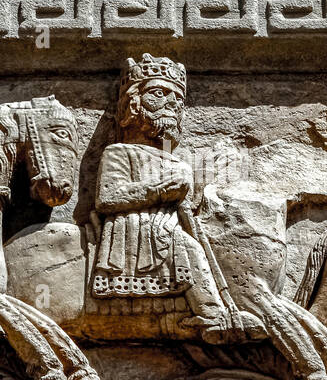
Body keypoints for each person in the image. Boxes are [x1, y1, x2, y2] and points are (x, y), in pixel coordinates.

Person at [91, 53, 237, 342]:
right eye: (159, 93)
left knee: (199, 245)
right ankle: (211, 316)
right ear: (134, 103)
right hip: (133, 226)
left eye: (177, 99)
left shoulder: (176, 162)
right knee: (188, 249)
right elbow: (106, 197)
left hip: (167, 221)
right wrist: (158, 191)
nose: (171, 102)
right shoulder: (120, 152)